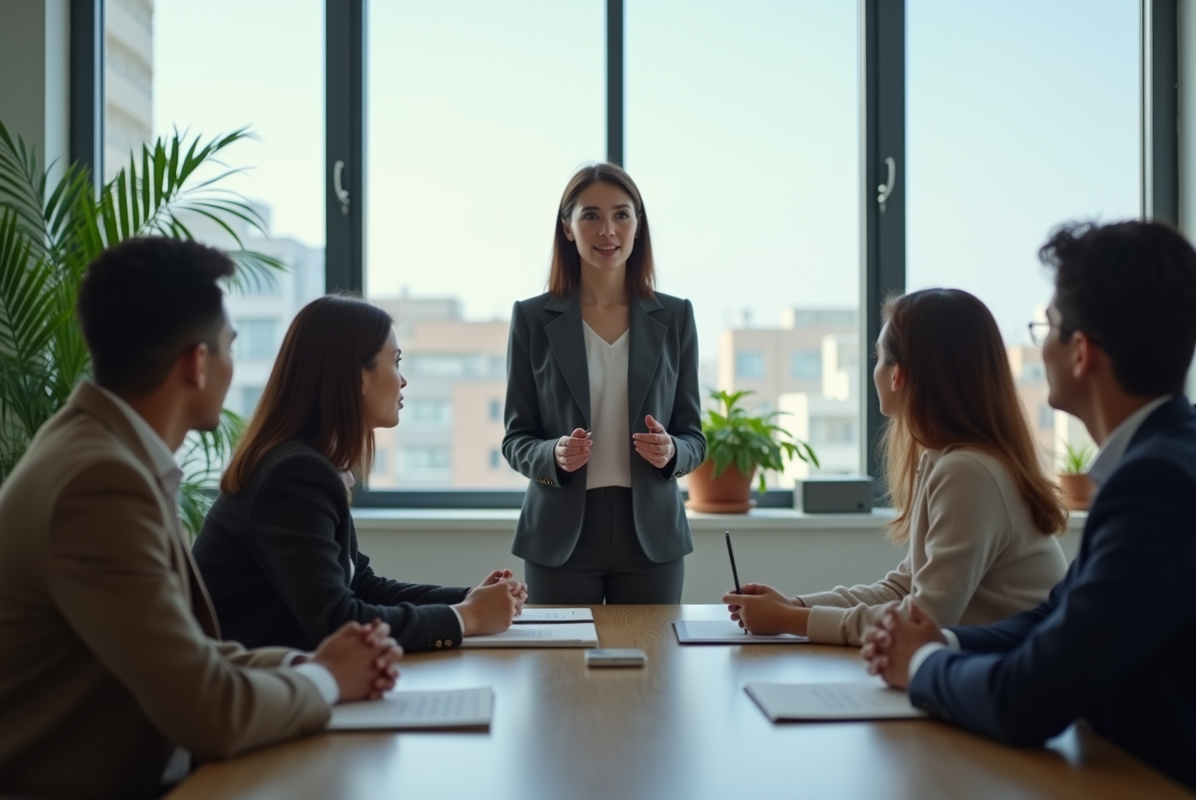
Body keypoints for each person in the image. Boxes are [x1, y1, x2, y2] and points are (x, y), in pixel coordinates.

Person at [0, 238, 402, 800]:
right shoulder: (98, 483)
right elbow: (207, 708)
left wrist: (310, 663)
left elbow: (193, 654)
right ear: (198, 362)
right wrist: (327, 678)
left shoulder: (101, 452)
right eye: (231, 347)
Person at [862, 221, 1196, 794]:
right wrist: (943, 642)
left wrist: (921, 666)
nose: (1039, 345)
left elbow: (1028, 700)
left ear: (1081, 351)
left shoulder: (1156, 483)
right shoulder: (1162, 459)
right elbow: (1055, 618)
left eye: (1048, 327)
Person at [723, 288, 1068, 645]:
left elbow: (923, 620)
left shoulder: (968, 471)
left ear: (898, 374)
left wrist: (792, 619)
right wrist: (792, 607)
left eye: (879, 357)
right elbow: (903, 587)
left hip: (1018, 684)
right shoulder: (946, 460)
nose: (874, 370)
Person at [194, 295, 527, 654]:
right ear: (358, 376)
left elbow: (362, 586)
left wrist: (469, 599)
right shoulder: (293, 474)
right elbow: (337, 622)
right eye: (396, 362)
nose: (403, 381)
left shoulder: (309, 463)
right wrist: (467, 618)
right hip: (249, 691)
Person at [503, 163, 705, 604]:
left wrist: (673, 451)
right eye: (591, 215)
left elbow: (694, 436)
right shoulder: (532, 319)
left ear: (638, 225)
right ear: (568, 228)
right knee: (559, 669)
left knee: (654, 668)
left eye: (622, 214)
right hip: (560, 536)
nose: (608, 229)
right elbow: (516, 438)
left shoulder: (675, 317)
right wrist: (551, 454)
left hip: (651, 535)